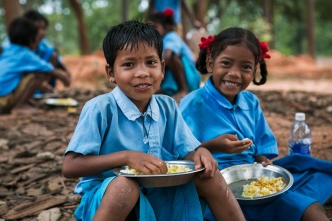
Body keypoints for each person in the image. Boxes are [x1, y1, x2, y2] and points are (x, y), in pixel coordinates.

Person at [61, 20, 245, 221]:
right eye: (129, 64)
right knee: (125, 185)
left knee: (210, 176)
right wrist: (125, 157)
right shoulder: (100, 108)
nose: (143, 73)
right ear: (111, 73)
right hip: (109, 198)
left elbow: (187, 152)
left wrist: (200, 153)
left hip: (157, 192)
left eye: (151, 62)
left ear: (162, 68)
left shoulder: (167, 106)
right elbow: (70, 166)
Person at [179, 27, 332, 221]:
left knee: (309, 184)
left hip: (252, 178)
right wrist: (214, 145)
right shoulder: (193, 103)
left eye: (245, 67)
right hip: (212, 183)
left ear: (255, 70)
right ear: (210, 63)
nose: (234, 74)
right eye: (226, 63)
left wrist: (262, 160)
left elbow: (260, 140)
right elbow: (180, 151)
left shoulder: (250, 102)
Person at [0, 17, 71, 115]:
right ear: (31, 39)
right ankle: (20, 106)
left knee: (27, 72)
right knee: (39, 74)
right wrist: (65, 79)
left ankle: (23, 102)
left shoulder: (8, 50)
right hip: (5, 98)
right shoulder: (24, 54)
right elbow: (49, 69)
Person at [1, 9, 70, 94]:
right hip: (12, 85)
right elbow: (36, 63)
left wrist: (65, 70)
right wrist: (60, 75)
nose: (42, 33)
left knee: (51, 56)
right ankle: (30, 96)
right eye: (38, 29)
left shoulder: (41, 43)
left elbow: (50, 55)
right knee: (39, 72)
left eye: (44, 29)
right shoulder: (13, 47)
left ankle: (42, 91)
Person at [147, 8, 201, 103]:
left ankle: (183, 89)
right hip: (175, 79)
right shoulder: (158, 42)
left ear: (166, 27)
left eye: (154, 27)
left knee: (172, 57)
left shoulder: (171, 36)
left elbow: (167, 56)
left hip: (190, 77)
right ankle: (166, 90)